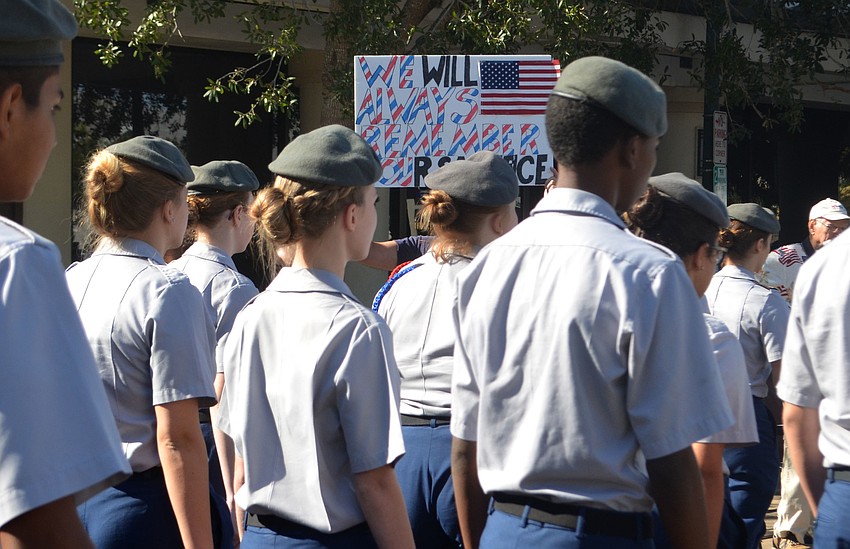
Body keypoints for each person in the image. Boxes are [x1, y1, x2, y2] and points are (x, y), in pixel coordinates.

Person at [450, 56, 734, 549]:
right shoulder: (650, 272)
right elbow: (673, 461)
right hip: (600, 535)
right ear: (632, 149)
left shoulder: (487, 265)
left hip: (504, 529)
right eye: (654, 149)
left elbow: (465, 446)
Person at [218, 124, 415, 549]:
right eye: (373, 201)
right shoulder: (358, 328)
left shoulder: (250, 316)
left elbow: (240, 463)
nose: (374, 214)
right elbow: (375, 481)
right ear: (352, 216)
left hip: (259, 535)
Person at [0, 2, 131, 547]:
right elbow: (36, 520)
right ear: (10, 107)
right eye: (54, 107)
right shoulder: (17, 261)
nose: (55, 138)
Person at [67, 136, 220, 549]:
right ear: (169, 209)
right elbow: (178, 439)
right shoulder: (168, 291)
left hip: (72, 504)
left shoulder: (69, 280)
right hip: (140, 510)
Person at [374, 151, 519, 548]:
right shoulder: (503, 282)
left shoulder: (401, 280)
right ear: (499, 220)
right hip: (472, 449)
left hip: (401, 451)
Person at [625, 173, 759, 549]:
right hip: (676, 515)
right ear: (701, 255)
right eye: (715, 256)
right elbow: (704, 469)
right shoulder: (711, 338)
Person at [170, 160, 261, 540]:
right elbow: (226, 392)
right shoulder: (235, 288)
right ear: (238, 214)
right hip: (211, 441)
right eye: (253, 213)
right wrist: (232, 489)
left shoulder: (169, 272)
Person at [762, 198, 849, 549]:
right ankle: (791, 528)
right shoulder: (784, 258)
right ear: (813, 225)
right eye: (832, 225)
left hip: (825, 363)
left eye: (844, 226)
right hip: (791, 357)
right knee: (799, 444)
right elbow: (768, 298)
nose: (839, 231)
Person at [704, 203, 789, 549]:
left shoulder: (698, 287)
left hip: (693, 409)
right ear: (760, 244)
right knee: (745, 515)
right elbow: (787, 381)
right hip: (747, 414)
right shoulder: (767, 302)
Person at [761, 198, 849, 303]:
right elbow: (767, 303)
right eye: (831, 226)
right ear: (812, 226)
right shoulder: (780, 260)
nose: (838, 233)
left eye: (843, 228)